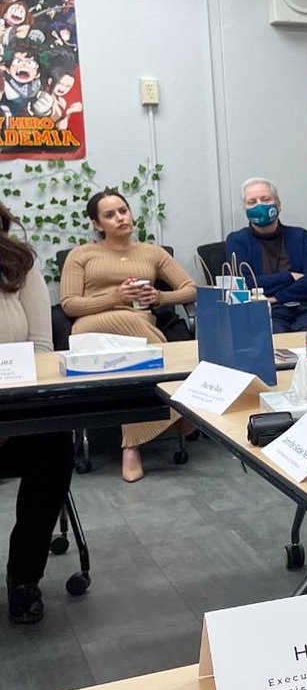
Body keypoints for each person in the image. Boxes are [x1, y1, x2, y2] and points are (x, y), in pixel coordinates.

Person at [59, 189, 197, 483]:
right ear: (97, 224)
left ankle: (131, 444)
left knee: (138, 339)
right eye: (109, 215)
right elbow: (70, 304)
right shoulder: (81, 255)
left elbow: (190, 289)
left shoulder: (152, 252)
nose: (120, 218)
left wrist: (159, 296)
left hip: (139, 328)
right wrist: (115, 296)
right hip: (90, 328)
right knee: (142, 334)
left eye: (123, 210)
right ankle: (185, 399)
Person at [0, 201, 74, 624]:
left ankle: (24, 577)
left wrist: (12, 418)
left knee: (53, 444)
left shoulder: (18, 262)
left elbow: (41, 351)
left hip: (16, 414)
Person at [224, 178, 307, 334]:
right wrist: (289, 276)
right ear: (245, 208)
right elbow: (245, 284)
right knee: (274, 343)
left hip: (306, 308)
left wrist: (275, 298)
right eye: (252, 202)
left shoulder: (300, 236)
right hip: (265, 314)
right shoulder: (237, 240)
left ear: (278, 204)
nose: (259, 205)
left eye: (265, 199)